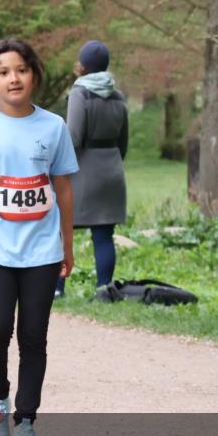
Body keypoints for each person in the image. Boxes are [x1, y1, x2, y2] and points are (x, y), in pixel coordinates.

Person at [0, 38, 79, 436]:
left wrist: (67, 244)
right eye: (4, 71)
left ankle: (25, 422)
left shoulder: (53, 126)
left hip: (42, 252)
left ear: (34, 76)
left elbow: (62, 189)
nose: (14, 78)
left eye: (22, 70)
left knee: (33, 338)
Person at [54, 40, 129, 298]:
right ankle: (104, 288)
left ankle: (56, 288)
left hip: (83, 171)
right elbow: (124, 142)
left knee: (63, 230)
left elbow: (73, 136)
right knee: (104, 235)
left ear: (82, 65)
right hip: (112, 171)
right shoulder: (118, 95)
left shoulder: (80, 93)